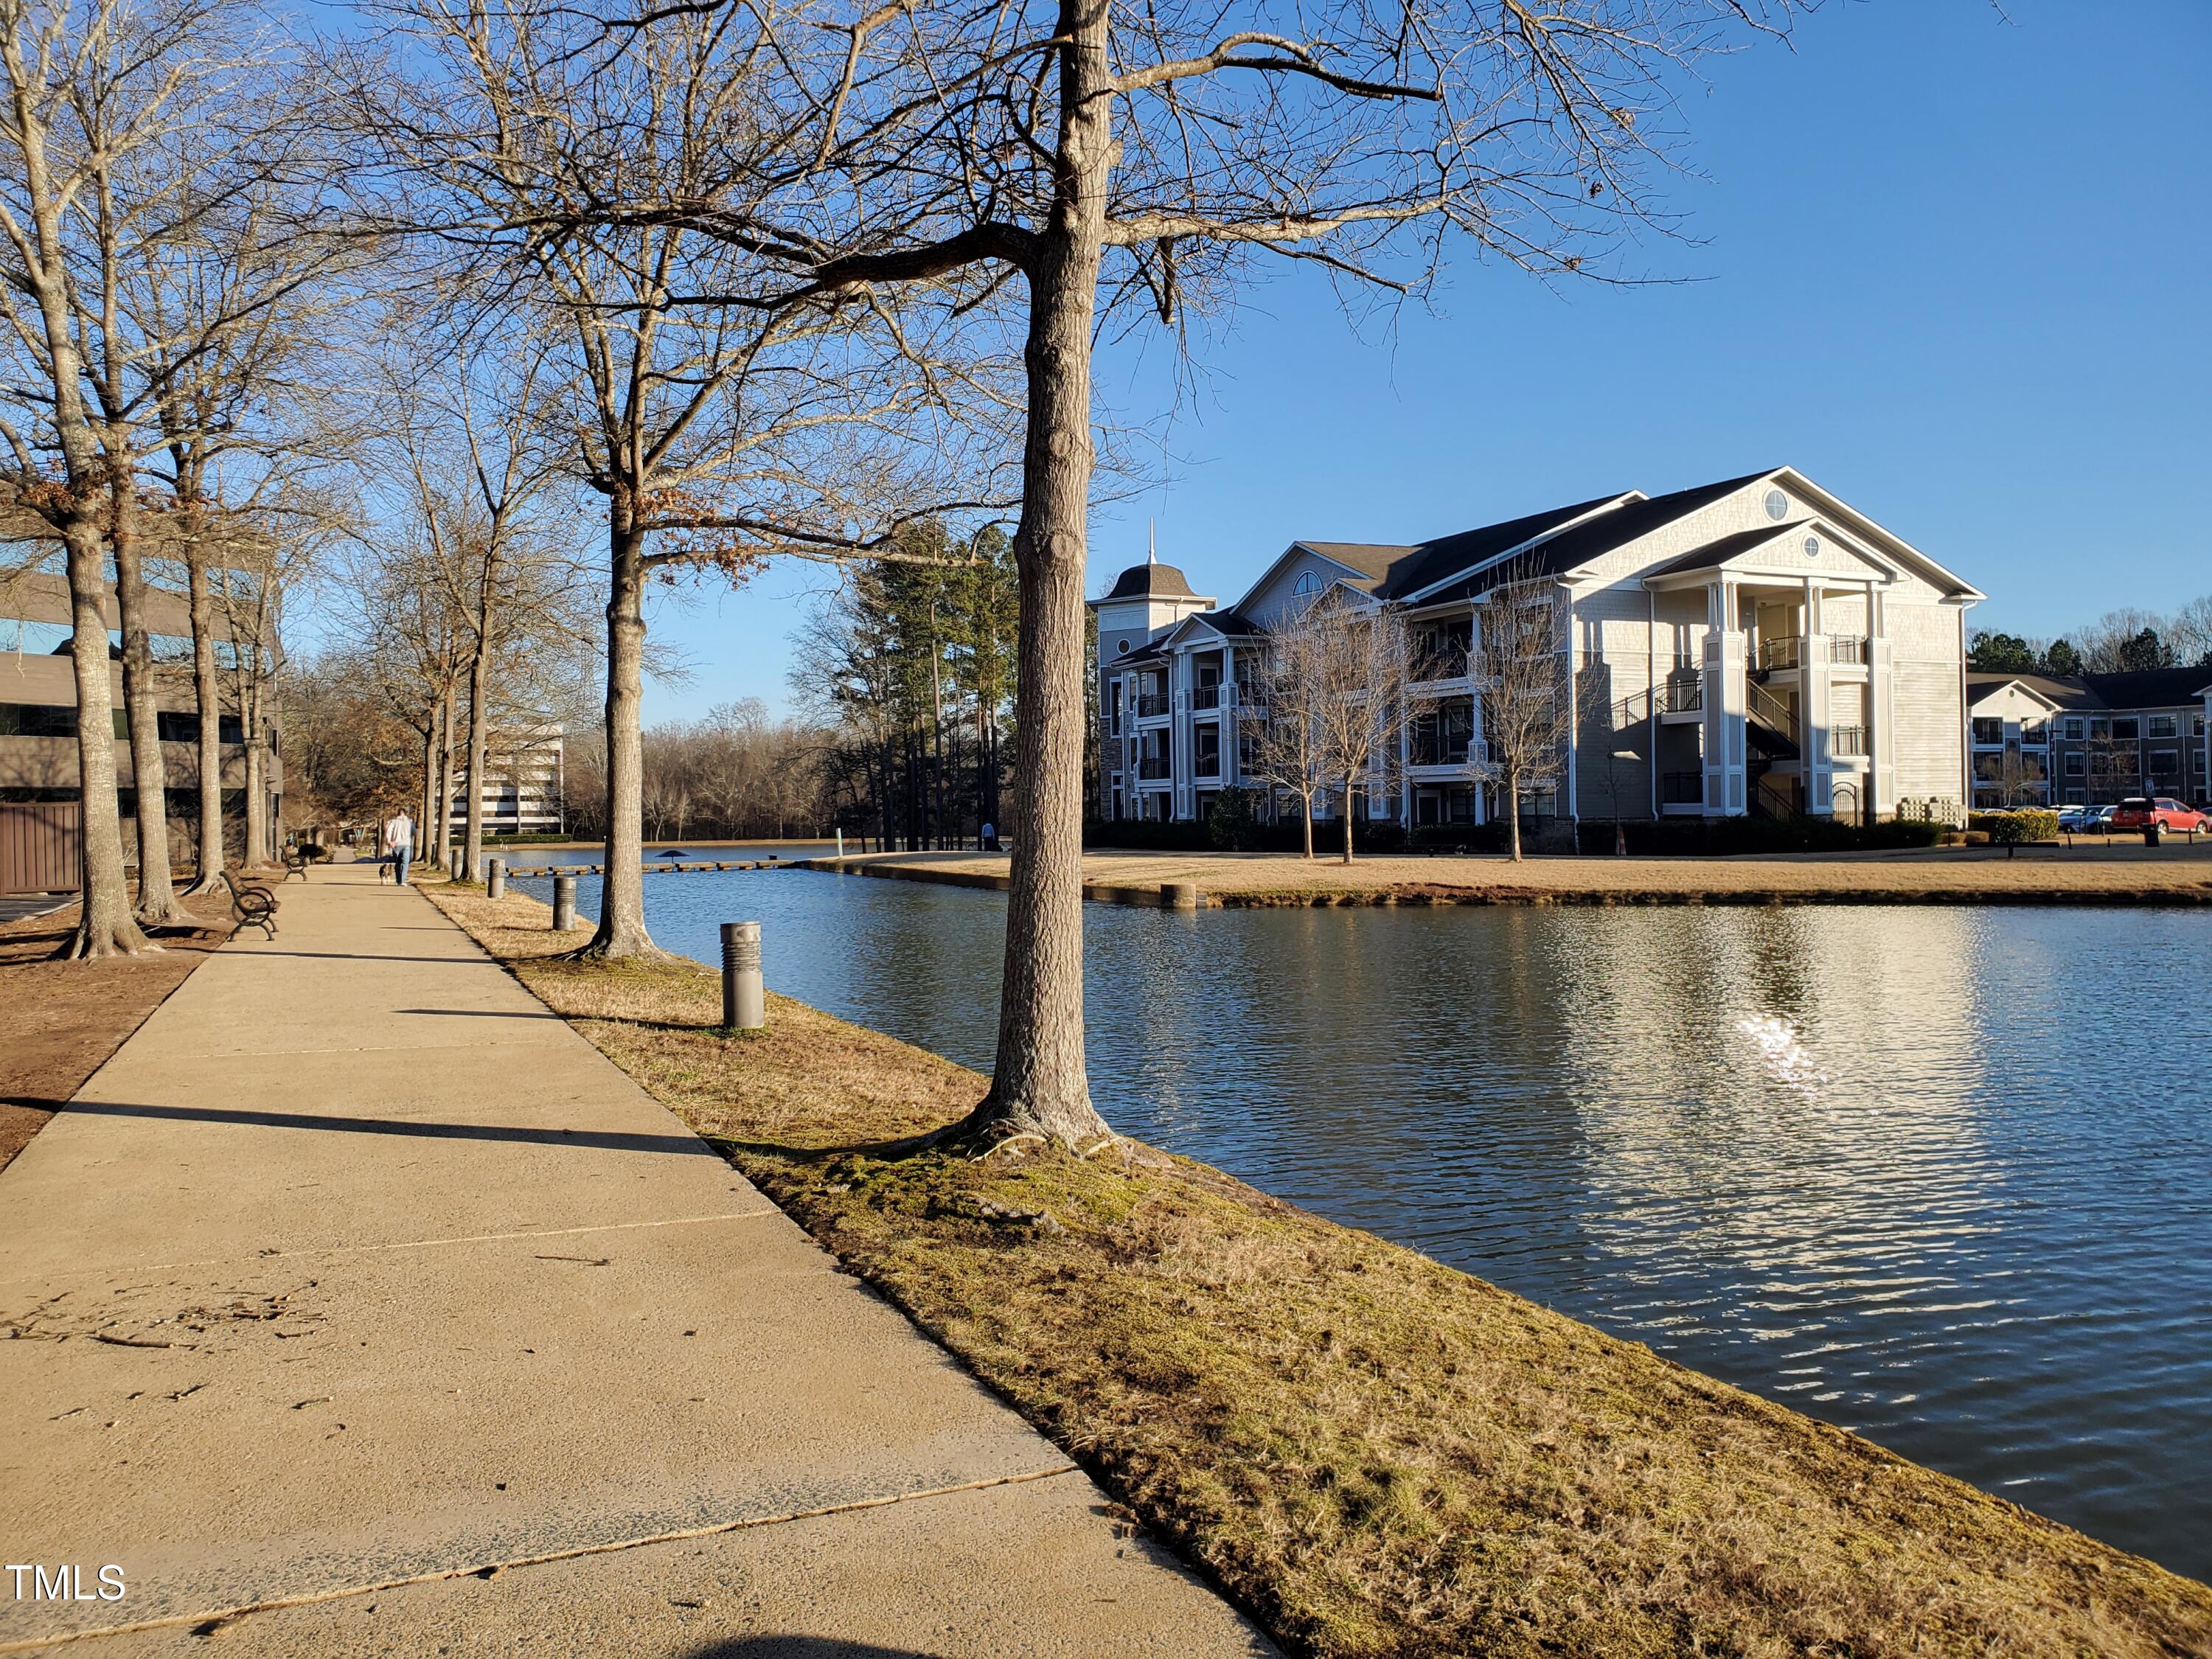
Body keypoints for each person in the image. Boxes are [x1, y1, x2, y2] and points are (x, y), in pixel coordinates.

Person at [383, 808, 415, 887]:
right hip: (406, 844)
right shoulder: (409, 822)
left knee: (398, 863)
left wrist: (389, 841)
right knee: (405, 863)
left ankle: (398, 880)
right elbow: (414, 832)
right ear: (405, 814)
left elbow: (388, 831)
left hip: (396, 845)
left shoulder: (393, 821)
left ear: (398, 814)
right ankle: (403, 881)